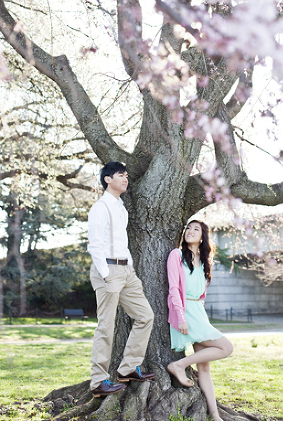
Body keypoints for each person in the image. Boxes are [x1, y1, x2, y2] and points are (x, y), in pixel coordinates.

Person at [88, 161, 155, 398]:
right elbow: (94, 245)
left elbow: (121, 241)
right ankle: (98, 381)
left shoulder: (121, 208)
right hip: (108, 270)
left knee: (145, 316)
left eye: (127, 175)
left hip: (127, 272)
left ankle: (128, 368)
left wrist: (130, 268)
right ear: (108, 179)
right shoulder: (100, 208)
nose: (125, 179)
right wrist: (106, 274)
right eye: (120, 175)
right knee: (106, 326)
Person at [166, 220, 234, 421]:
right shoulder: (176, 255)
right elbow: (173, 290)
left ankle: (215, 415)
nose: (190, 231)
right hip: (185, 312)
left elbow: (201, 295)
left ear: (203, 236)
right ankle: (179, 365)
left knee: (204, 367)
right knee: (226, 348)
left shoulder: (204, 261)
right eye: (188, 228)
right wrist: (181, 318)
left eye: (196, 229)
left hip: (198, 312)